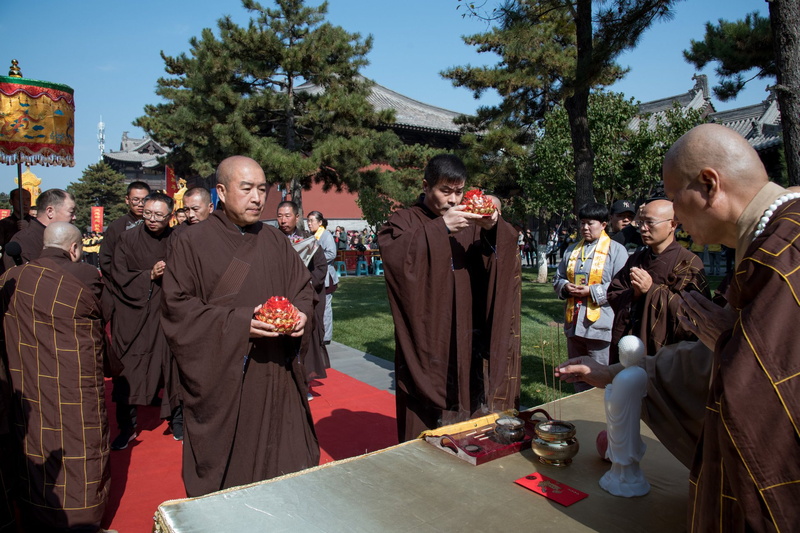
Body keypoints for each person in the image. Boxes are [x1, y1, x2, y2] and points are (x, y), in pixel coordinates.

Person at [557, 123, 800, 531]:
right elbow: (734, 356)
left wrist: (718, 334)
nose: (676, 217)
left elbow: (764, 392)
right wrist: (615, 372)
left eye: (673, 198)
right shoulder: (767, 244)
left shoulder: (786, 251)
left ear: (708, 184)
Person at [161, 155, 319, 497]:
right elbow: (178, 309)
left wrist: (302, 314)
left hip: (277, 371)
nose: (257, 198)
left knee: (286, 466)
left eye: (262, 189)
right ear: (221, 191)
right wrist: (239, 323)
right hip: (226, 376)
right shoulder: (191, 241)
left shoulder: (274, 240)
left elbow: (302, 289)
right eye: (246, 188)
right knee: (233, 479)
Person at [378, 154, 522, 442]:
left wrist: (493, 227)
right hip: (430, 335)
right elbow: (396, 258)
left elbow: (501, 257)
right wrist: (439, 228)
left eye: (459, 191)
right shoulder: (404, 220)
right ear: (426, 186)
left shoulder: (469, 220)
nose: (453, 200)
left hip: (469, 330)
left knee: (470, 406)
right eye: (445, 191)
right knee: (425, 424)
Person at [0, 223, 111, 532]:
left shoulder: (11, 279)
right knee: (80, 441)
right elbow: (104, 313)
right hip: (73, 379)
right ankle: (83, 517)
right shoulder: (85, 275)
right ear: (75, 249)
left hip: (29, 377)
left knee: (36, 438)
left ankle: (35, 508)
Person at [109, 192, 179, 449]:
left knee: (173, 366)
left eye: (158, 215)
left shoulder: (178, 239)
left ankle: (178, 421)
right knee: (129, 368)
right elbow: (118, 274)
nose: (151, 219)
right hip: (135, 313)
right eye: (147, 213)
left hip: (168, 311)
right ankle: (126, 427)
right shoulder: (127, 239)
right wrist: (148, 275)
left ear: (170, 216)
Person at [607, 199, 708, 363]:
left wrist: (651, 290)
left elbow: (694, 315)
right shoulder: (636, 259)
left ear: (673, 225)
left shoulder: (688, 263)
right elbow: (614, 293)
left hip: (668, 354)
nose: (643, 228)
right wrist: (635, 294)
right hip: (631, 343)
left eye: (650, 223)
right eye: (641, 222)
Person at [553, 202, 627, 391]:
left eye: (590, 223)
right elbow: (558, 277)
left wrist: (592, 291)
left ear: (603, 225)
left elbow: (622, 286)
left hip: (600, 325)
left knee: (599, 376)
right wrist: (565, 286)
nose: (585, 228)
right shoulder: (571, 250)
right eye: (582, 223)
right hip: (574, 323)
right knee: (578, 373)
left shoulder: (616, 250)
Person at [276, 201, 330, 390]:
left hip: (304, 296)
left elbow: (320, 267)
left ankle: (304, 380)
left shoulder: (309, 239)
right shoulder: (271, 239)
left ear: (297, 217)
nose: (283, 220)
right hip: (279, 298)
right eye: (280, 216)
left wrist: (306, 284)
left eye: (287, 216)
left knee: (306, 338)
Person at [2, 189, 77, 271]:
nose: (74, 218)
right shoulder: (24, 242)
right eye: (71, 212)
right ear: (50, 211)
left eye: (27, 199)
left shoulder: (60, 237)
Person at [307, 211, 339, 347]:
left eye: (311, 221)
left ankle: (326, 336)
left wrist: (315, 260)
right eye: (307, 221)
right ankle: (317, 332)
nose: (309, 223)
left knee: (325, 307)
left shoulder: (325, 235)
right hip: (315, 277)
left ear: (320, 222)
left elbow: (332, 253)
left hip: (326, 278)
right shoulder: (312, 236)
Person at [0, 188, 32, 273]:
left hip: (31, 267)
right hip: (7, 269)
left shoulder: (35, 223)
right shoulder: (3, 224)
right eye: (20, 200)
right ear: (11, 202)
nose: (25, 203)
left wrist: (29, 229)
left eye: (28, 200)